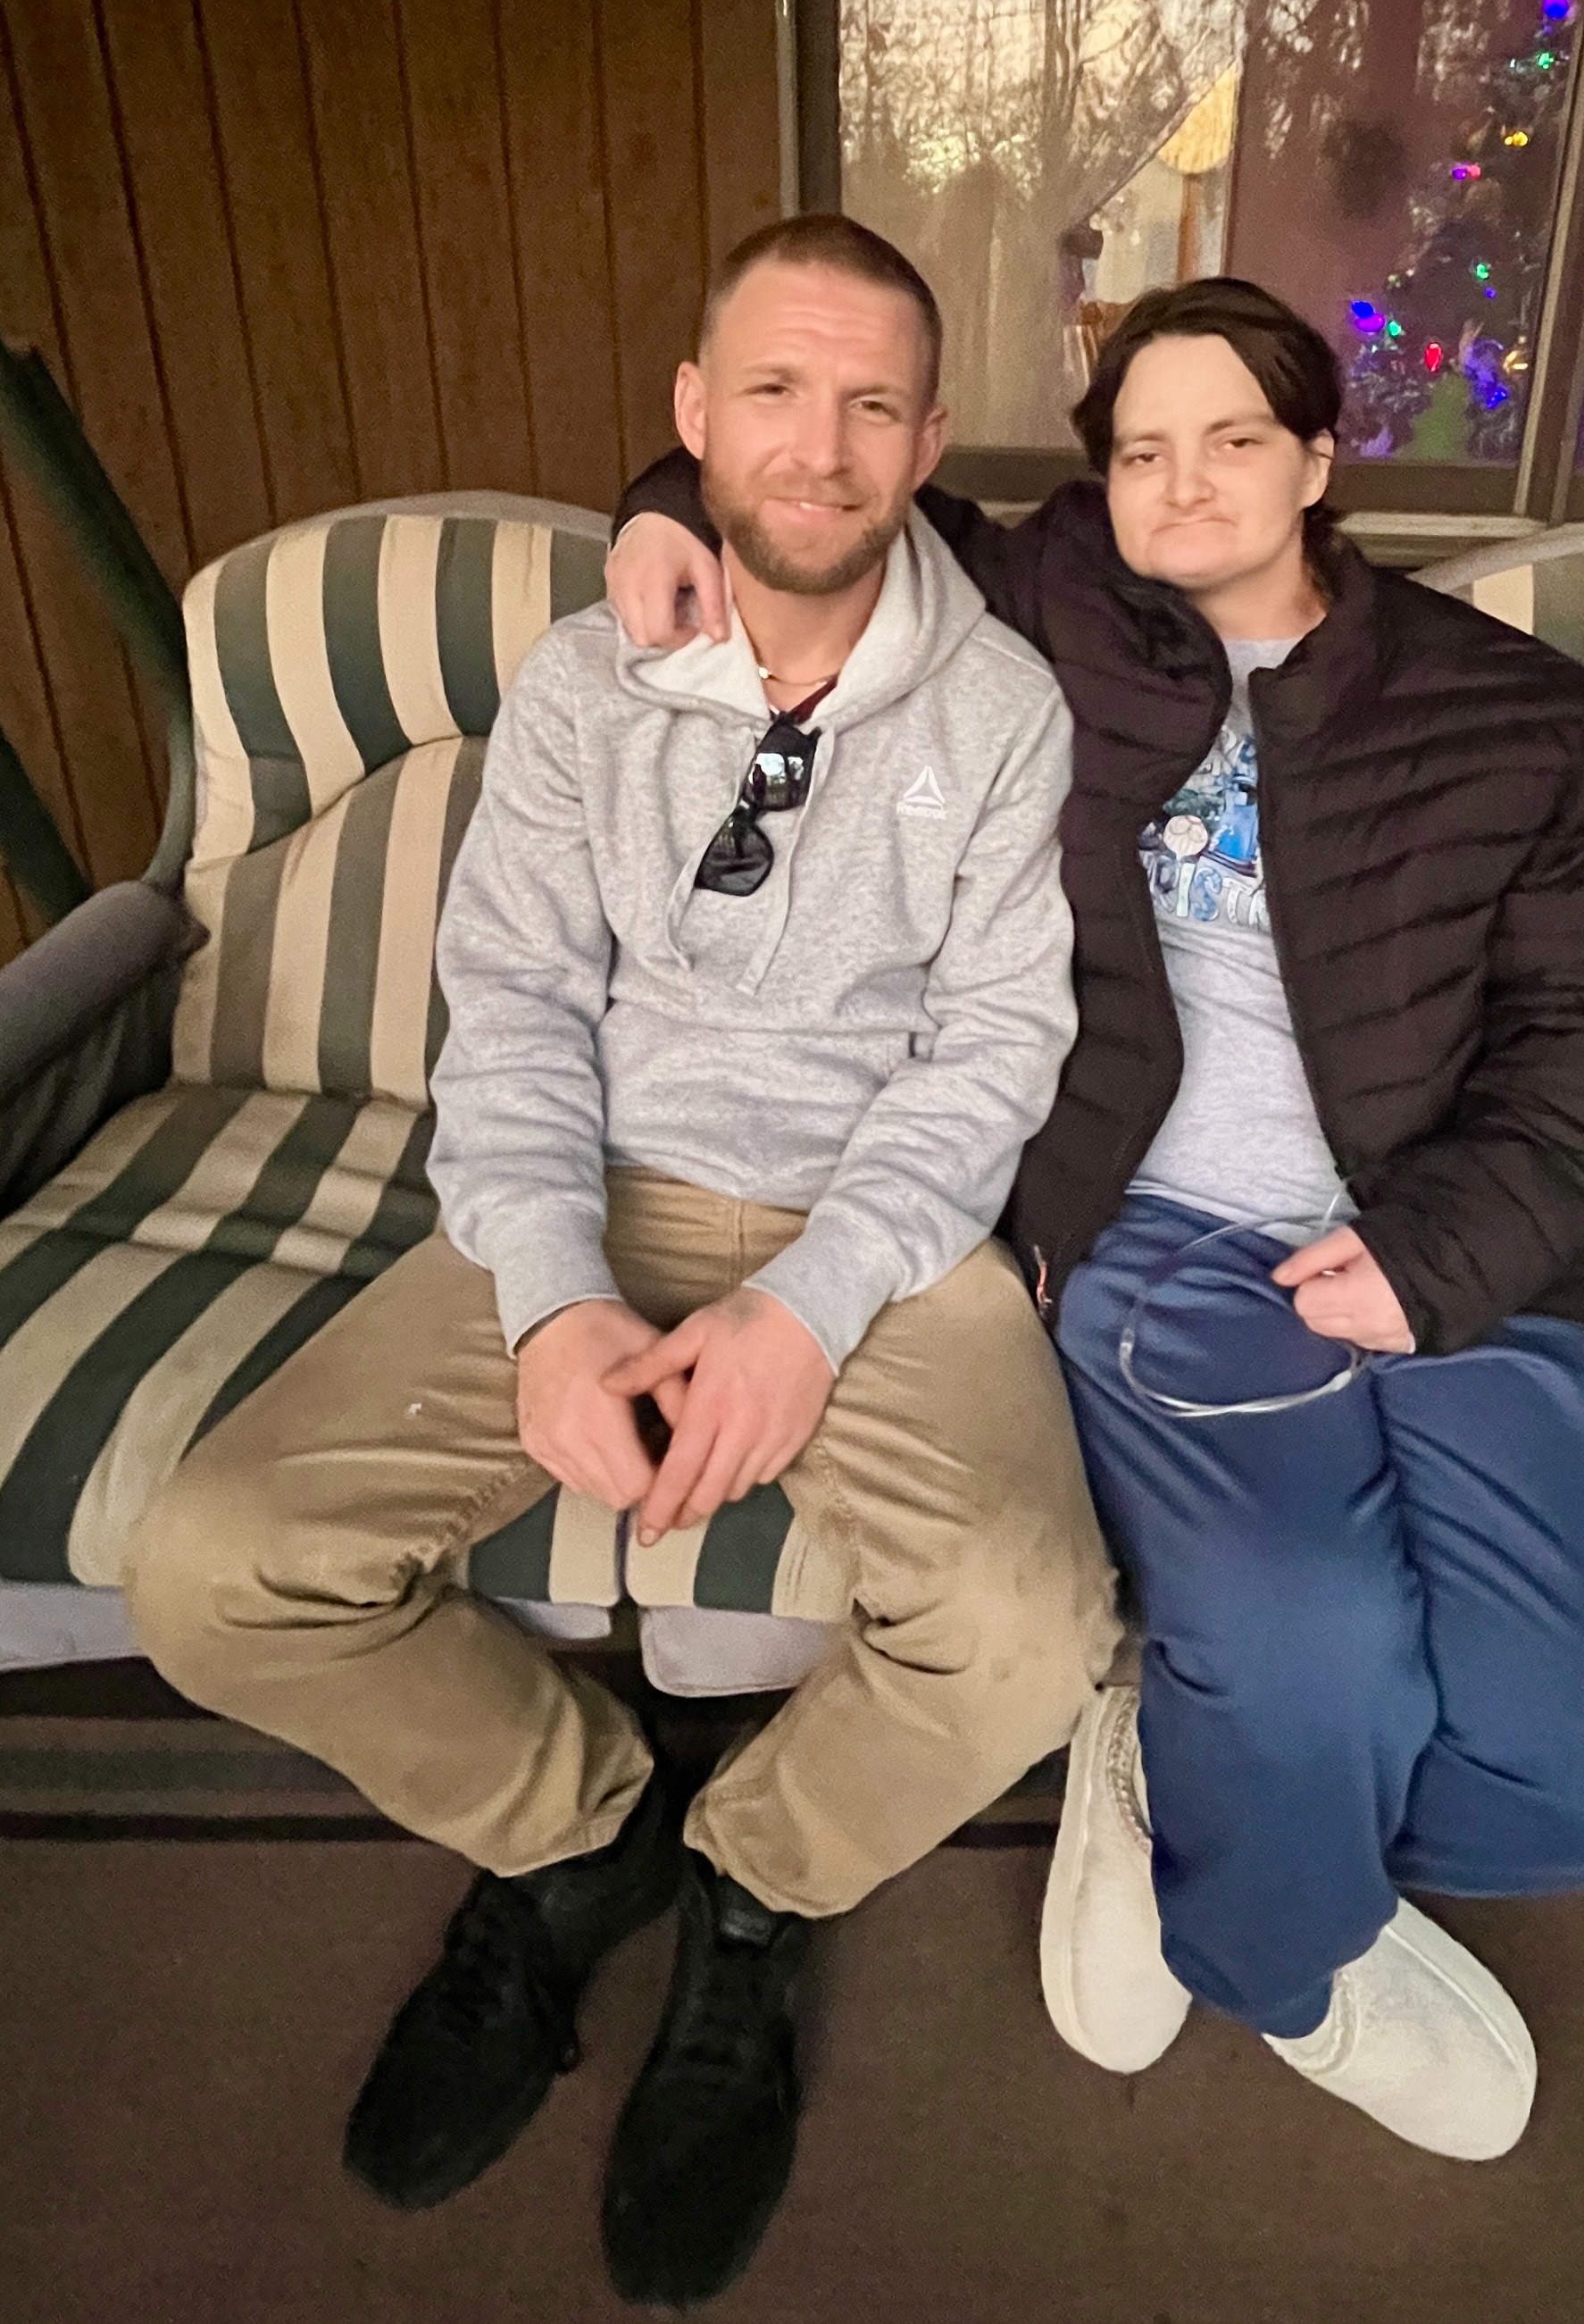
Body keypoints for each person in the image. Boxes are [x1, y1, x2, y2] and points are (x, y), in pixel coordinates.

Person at [608, 272, 1584, 2163]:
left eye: (1233, 438)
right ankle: (1281, 1958)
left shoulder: (1532, 721)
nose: (1184, 483)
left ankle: (1186, 1778)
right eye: (1140, 451)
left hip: (1500, 1243)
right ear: (1099, 485)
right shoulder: (1043, 604)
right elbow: (821, 490)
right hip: (1167, 1238)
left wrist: (1435, 1256)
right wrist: (665, 500)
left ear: (1316, 459)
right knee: (1307, 1640)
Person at [124, 213, 1119, 2308]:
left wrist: (808, 1307)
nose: (820, 445)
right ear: (691, 413)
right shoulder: (586, 683)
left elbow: (988, 1055)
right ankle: (581, 1836)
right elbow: (508, 1009)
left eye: (871, 403)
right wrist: (561, 1295)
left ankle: (753, 1887)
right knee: (212, 1564)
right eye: (774, 390)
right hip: (588, 1183)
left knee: (1027, 1632)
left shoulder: (1004, 707)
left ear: (931, 436)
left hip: (880, 1229)